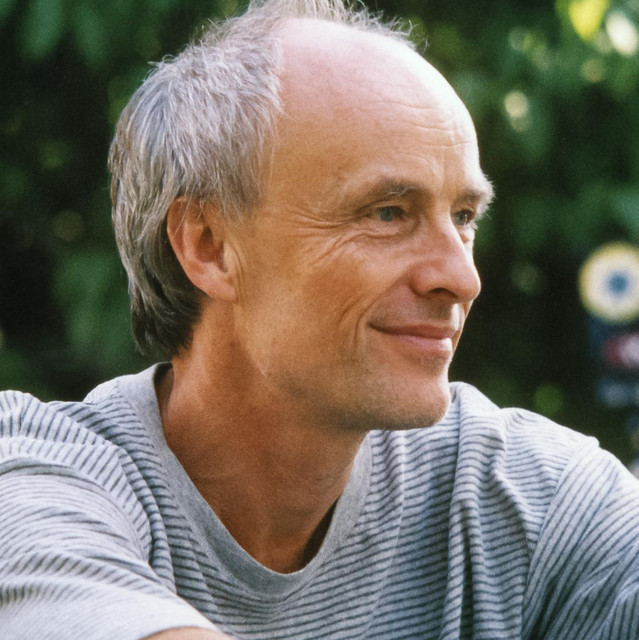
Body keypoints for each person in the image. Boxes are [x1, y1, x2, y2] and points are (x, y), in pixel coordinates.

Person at [2, 0, 639, 638]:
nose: (462, 278)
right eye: (388, 213)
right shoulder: (39, 477)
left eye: (464, 217)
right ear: (209, 246)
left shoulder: (521, 496)